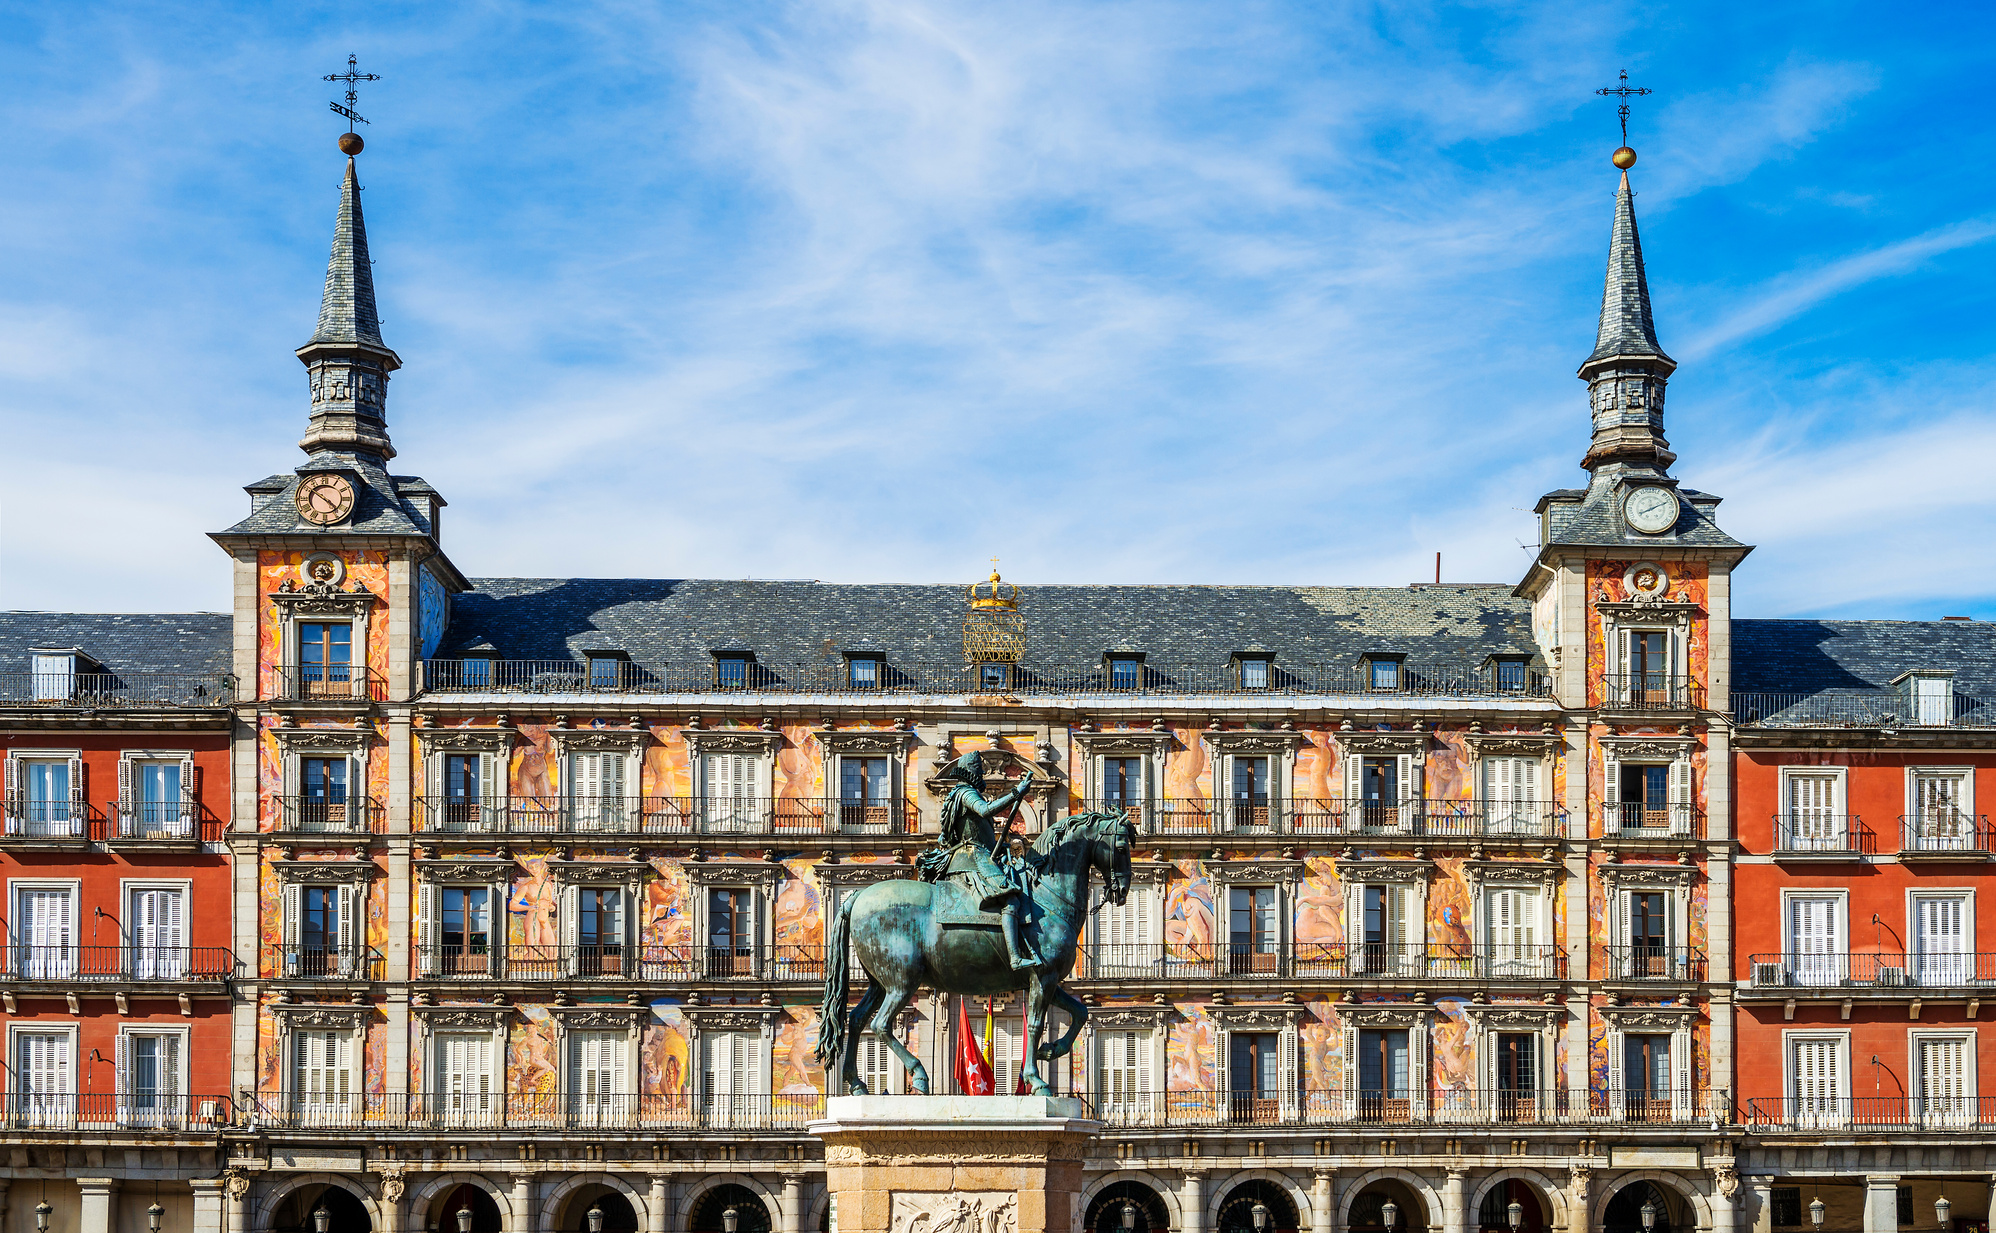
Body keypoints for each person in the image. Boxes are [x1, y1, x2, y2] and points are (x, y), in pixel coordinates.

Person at [930, 750, 1042, 970]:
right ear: (971, 771)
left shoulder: (959, 794)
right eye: (979, 770)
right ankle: (1015, 957)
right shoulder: (966, 793)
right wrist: (1015, 793)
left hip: (974, 854)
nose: (982, 773)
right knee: (1010, 901)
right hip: (973, 857)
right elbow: (985, 810)